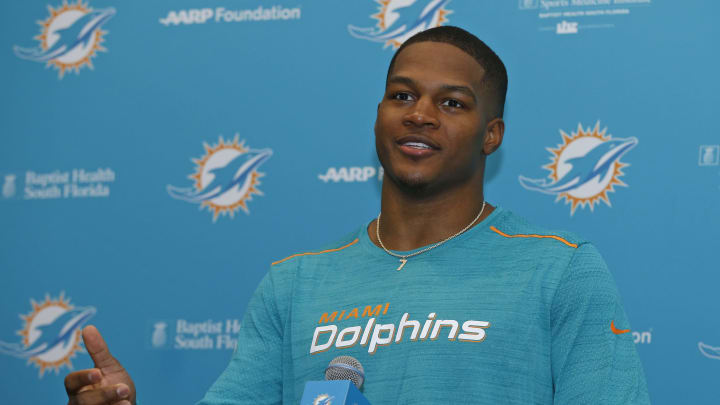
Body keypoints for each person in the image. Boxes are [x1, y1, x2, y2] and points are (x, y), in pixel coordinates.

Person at [64, 26, 650, 404]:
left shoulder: (560, 271)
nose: (419, 114)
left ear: (491, 135)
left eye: (451, 102)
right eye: (402, 95)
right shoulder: (293, 284)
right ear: (378, 114)